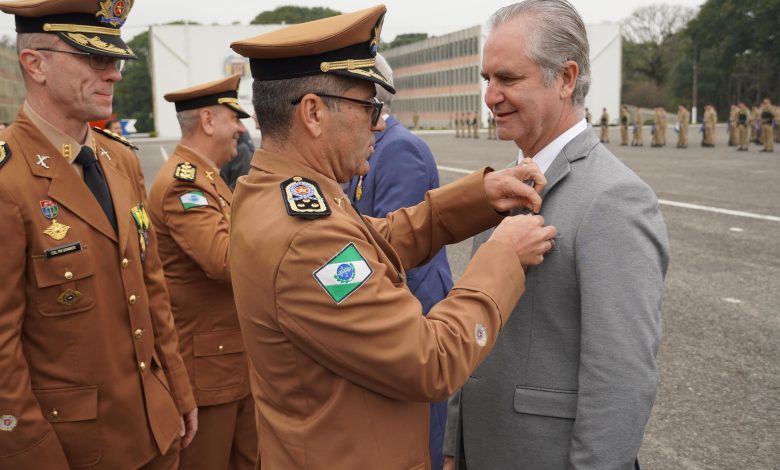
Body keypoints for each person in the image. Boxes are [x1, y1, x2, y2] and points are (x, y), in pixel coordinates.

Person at [228, 5, 557, 468]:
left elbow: (375, 240)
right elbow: (431, 360)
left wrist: (477, 198)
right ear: (313, 113)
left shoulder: (276, 192)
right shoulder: (306, 237)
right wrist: (502, 256)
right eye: (368, 107)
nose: (379, 122)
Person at [443, 2, 670, 469]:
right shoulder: (504, 184)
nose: (491, 96)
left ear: (565, 78)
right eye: (487, 79)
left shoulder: (613, 197)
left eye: (508, 79)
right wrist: (454, 446)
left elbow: (621, 375)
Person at [0, 1, 198, 468]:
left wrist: (178, 387)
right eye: (95, 58)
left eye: (115, 61)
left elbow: (151, 286)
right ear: (35, 64)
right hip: (75, 447)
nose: (113, 74)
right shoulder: (9, 179)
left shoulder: (120, 159)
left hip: (156, 427)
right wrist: (32, 454)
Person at [346, 53, 453, 470]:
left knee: (424, 435)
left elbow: (400, 250)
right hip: (390, 314)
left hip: (417, 311)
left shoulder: (400, 149)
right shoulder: (371, 146)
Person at [147, 74, 257, 470]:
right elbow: (223, 259)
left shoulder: (206, 178)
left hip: (229, 362)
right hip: (209, 370)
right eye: (234, 118)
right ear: (208, 121)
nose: (241, 128)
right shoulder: (184, 185)